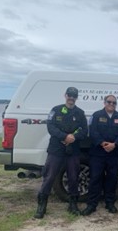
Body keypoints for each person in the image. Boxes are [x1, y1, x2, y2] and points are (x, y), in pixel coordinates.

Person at [34, 87, 88, 219]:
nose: (71, 97)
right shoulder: (56, 110)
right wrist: (64, 137)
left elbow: (84, 130)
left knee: (74, 177)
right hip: (56, 149)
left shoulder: (80, 113)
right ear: (65, 95)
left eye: (74, 95)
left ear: (76, 97)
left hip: (73, 150)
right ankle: (42, 206)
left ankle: (73, 204)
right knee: (49, 176)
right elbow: (51, 127)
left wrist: (73, 137)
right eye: (69, 95)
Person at [81, 95, 118, 216]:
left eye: (114, 102)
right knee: (95, 178)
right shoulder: (96, 115)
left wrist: (115, 144)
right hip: (98, 153)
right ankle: (91, 204)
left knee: (112, 179)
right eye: (109, 102)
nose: (111, 104)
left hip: (114, 153)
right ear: (104, 102)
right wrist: (102, 143)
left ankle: (110, 203)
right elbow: (92, 131)